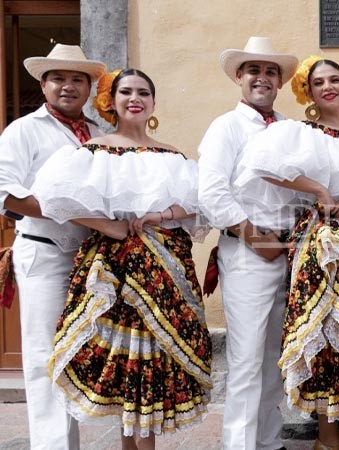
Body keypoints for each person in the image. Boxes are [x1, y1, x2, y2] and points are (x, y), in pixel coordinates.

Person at [31, 68, 211, 450]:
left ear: (153, 103)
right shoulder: (93, 152)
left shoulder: (172, 156)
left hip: (165, 271)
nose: (135, 99)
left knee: (153, 361)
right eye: (126, 92)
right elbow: (54, 199)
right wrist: (106, 226)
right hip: (114, 272)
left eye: (143, 92)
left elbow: (199, 203)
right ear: (110, 101)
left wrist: (161, 215)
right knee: (128, 363)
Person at [236, 56, 339, 450]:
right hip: (319, 242)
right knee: (325, 332)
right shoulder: (298, 132)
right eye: (318, 83)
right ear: (308, 93)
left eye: (334, 80)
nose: (327, 87)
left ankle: (330, 439)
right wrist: (318, 189)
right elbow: (262, 165)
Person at [0, 43, 105, 450]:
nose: (68, 86)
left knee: (80, 355)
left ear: (89, 87)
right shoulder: (24, 130)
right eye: (58, 78)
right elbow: (6, 193)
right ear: (43, 84)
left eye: (77, 79)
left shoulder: (99, 133)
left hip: (92, 259)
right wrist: (72, 213)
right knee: (46, 356)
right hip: (44, 253)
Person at [197, 36, 299, 450]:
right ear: (239, 77)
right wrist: (257, 239)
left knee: (274, 357)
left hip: (288, 253)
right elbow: (211, 192)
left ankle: (269, 442)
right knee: (246, 359)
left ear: (280, 81)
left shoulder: (289, 128)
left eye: (271, 71)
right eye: (253, 70)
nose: (262, 77)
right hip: (247, 252)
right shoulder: (227, 126)